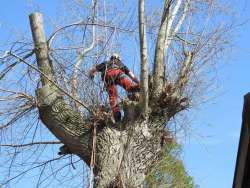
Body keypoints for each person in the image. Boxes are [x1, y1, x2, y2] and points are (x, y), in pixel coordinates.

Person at [88, 53, 140, 122]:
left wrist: (91, 75)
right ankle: (141, 87)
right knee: (130, 87)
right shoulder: (120, 63)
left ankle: (116, 115)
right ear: (117, 58)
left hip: (107, 77)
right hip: (117, 73)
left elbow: (93, 70)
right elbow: (132, 76)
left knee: (113, 98)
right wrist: (139, 83)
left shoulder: (105, 63)